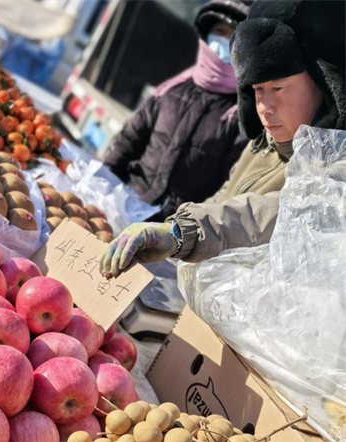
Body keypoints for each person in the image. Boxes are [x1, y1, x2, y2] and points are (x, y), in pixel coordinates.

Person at [100, 0, 346, 278]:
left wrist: (182, 233)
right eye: (256, 89)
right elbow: (224, 197)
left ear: (325, 84)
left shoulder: (335, 167)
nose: (264, 106)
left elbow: (270, 214)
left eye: (278, 87)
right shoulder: (262, 144)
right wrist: (175, 230)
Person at [103, 0, 252, 221]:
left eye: (233, 36)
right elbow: (128, 140)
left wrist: (180, 235)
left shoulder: (241, 116)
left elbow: (227, 192)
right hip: (125, 203)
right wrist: (103, 186)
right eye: (219, 31)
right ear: (206, 36)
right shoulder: (173, 89)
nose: (224, 41)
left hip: (169, 234)